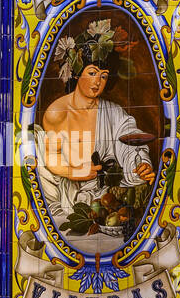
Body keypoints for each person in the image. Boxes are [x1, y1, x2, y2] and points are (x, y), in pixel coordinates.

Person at [37, 20, 156, 248]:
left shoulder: (112, 112)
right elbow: (50, 160)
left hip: (105, 196)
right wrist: (80, 172)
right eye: (92, 73)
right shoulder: (56, 112)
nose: (97, 82)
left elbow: (129, 136)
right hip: (71, 193)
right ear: (76, 74)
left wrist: (140, 163)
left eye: (103, 75)